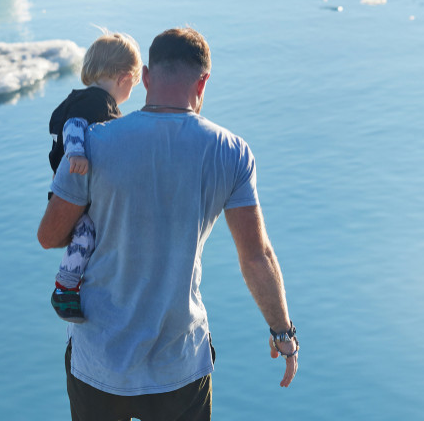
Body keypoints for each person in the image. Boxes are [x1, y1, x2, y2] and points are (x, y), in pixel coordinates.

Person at [38, 28, 297, 420]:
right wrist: (283, 333)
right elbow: (256, 256)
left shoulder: (93, 142)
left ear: (145, 77)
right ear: (203, 81)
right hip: (180, 364)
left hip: (98, 361)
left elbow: (50, 236)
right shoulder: (231, 151)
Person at [47, 32, 143, 322]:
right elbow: (74, 126)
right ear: (125, 78)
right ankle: (64, 289)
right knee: (87, 234)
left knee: (87, 236)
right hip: (75, 189)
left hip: (68, 188)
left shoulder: (76, 99)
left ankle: (72, 285)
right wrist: (76, 152)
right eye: (133, 85)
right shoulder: (97, 103)